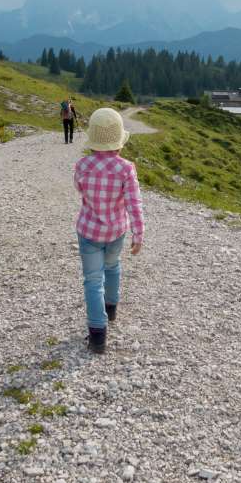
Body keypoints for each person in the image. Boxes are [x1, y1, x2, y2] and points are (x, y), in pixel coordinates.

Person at [74, 108, 145, 354]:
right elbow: (133, 204)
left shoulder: (82, 165)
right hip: (116, 231)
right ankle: (111, 308)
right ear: (118, 141)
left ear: (93, 139)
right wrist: (138, 234)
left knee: (93, 280)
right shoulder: (126, 169)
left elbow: (79, 188)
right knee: (113, 266)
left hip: (88, 231)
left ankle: (97, 336)